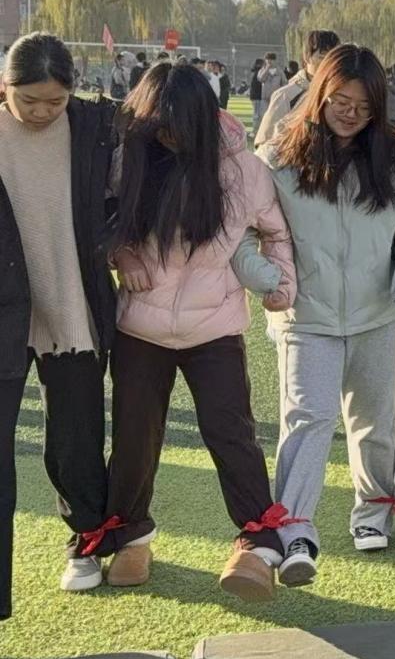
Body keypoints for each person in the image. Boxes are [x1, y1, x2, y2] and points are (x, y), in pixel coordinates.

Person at [99, 62, 297, 601]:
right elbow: (103, 218)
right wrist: (121, 254)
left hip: (216, 328)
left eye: (178, 128)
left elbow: (275, 232)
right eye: (158, 127)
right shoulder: (129, 158)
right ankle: (130, 536)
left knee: (231, 432)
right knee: (135, 436)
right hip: (140, 327)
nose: (169, 138)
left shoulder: (244, 170)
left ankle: (258, 542)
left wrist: (282, 284)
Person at [260, 44, 395, 585]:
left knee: (374, 421)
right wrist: (268, 279)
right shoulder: (278, 159)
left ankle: (373, 510)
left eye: (363, 105)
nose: (350, 113)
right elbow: (245, 228)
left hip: (376, 312)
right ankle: (295, 532)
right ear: (319, 94)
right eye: (340, 100)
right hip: (306, 317)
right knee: (307, 420)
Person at [0, 33, 119, 610]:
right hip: (5, 308)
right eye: (29, 101)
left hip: (72, 303)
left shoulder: (96, 127)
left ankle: (86, 541)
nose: (43, 112)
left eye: (55, 101)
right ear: (5, 87)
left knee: (76, 438)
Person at [255, 30, 340, 147]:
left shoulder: (343, 93)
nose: (328, 63)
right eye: (322, 57)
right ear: (307, 57)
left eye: (333, 58)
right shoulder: (286, 96)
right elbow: (264, 144)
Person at [258, 54, 285, 123]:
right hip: (265, 97)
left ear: (275, 60)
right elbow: (261, 79)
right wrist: (266, 69)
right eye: (268, 60)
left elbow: (284, 83)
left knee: (275, 116)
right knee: (264, 116)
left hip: (276, 97)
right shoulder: (262, 70)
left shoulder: (279, 71)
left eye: (271, 60)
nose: (269, 61)